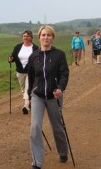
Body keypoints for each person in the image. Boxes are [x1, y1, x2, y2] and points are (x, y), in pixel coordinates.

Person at [27, 25, 69, 169]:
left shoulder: (59, 55)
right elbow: (31, 77)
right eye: (43, 35)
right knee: (35, 127)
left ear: (52, 37)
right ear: (39, 37)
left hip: (54, 95)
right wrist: (29, 96)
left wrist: (60, 88)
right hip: (37, 95)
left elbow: (64, 74)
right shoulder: (33, 56)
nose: (46, 37)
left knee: (57, 127)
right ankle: (37, 162)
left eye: (49, 35)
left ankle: (63, 151)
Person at [8, 30, 38, 115]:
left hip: (31, 71)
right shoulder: (18, 47)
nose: (26, 37)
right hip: (20, 71)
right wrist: (10, 59)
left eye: (28, 36)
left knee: (28, 87)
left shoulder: (35, 48)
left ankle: (26, 106)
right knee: (23, 88)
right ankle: (30, 101)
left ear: (31, 37)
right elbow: (13, 57)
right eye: (24, 36)